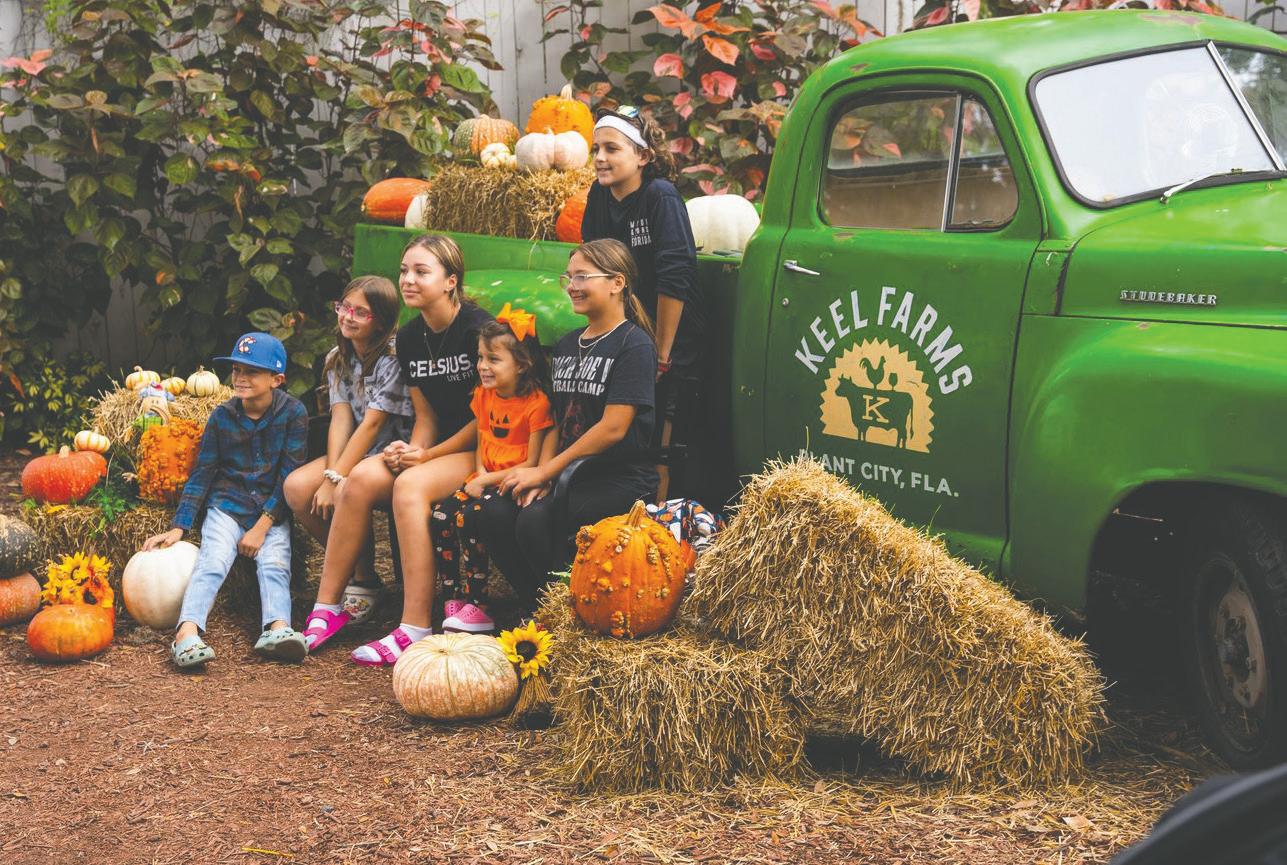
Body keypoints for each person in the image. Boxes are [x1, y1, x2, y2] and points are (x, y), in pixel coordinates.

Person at [302, 235, 492, 666]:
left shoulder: (477, 329)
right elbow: (426, 416)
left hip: (485, 447)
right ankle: (327, 608)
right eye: (405, 270)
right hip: (438, 447)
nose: (408, 279)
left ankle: (414, 627)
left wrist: (426, 458)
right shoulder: (409, 338)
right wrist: (412, 448)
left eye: (422, 271)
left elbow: (489, 417)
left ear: (450, 281)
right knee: (360, 478)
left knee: (409, 487)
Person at [477, 239, 658, 606]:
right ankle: (539, 606)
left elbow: (613, 428)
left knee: (535, 521)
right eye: (569, 277)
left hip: (617, 477)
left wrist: (548, 473)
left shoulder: (633, 345)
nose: (572, 286)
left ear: (617, 283)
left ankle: (570, 610)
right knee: (493, 511)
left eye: (582, 277)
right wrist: (543, 474)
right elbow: (559, 420)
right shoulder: (566, 345)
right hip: (567, 473)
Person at [142, 332, 309, 669]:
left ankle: (278, 629)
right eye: (236, 370)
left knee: (275, 563)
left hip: (271, 509)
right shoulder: (222, 416)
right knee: (213, 561)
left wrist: (262, 526)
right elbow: (203, 472)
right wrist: (180, 526)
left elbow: (289, 477)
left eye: (252, 372)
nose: (241, 378)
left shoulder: (294, 413)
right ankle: (186, 634)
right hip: (227, 505)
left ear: (276, 379)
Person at [581, 104, 704, 499]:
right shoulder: (598, 197)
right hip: (626, 337)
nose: (600, 158)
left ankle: (659, 519)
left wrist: (662, 353)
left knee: (661, 443)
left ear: (643, 156)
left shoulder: (660, 197)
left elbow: (675, 275)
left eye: (612, 149)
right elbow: (592, 267)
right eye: (596, 149)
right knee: (625, 438)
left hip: (672, 338)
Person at [284, 276, 412, 624]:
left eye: (361, 312)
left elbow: (372, 424)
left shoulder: (392, 358)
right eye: (345, 307)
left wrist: (335, 478)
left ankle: (361, 583)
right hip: (357, 451)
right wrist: (331, 473)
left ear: (381, 322)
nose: (348, 317)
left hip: (390, 453)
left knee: (344, 489)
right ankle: (362, 574)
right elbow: (341, 419)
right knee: (296, 488)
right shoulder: (338, 357)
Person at [432, 306, 553, 634]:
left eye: (493, 359)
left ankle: (479, 604)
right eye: (480, 358)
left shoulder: (536, 403)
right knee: (441, 517)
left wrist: (487, 479)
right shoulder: (484, 395)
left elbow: (532, 463)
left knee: (469, 520)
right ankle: (453, 596)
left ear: (522, 364)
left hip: (509, 483)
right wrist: (479, 472)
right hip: (484, 478)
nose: (483, 366)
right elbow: (482, 439)